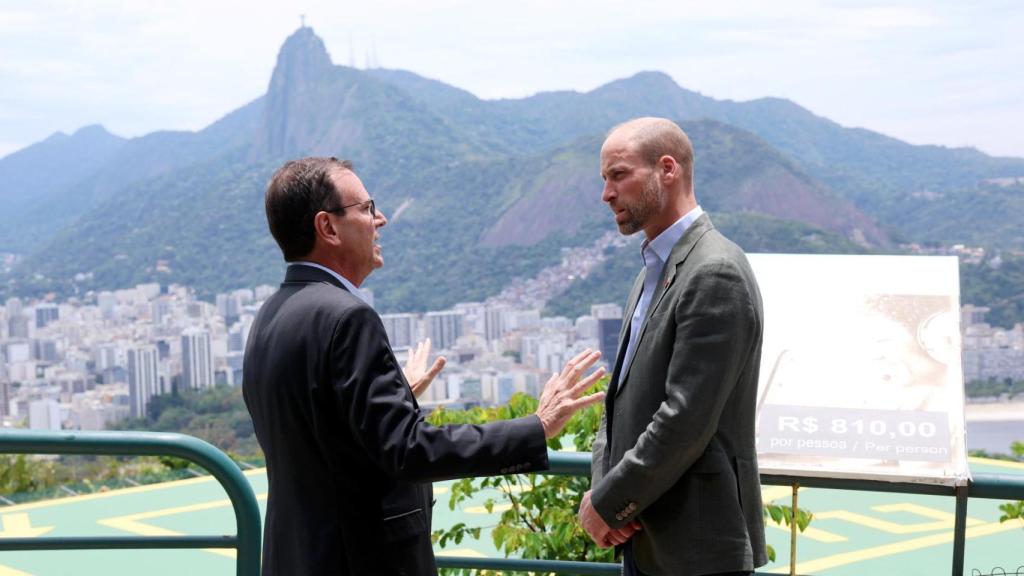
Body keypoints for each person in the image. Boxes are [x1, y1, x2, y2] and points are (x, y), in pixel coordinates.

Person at [243, 157, 606, 576]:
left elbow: (319, 429)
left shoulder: (270, 317)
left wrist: (399, 397)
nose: (379, 219)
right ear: (327, 227)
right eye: (365, 208)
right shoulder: (347, 318)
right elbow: (409, 450)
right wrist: (536, 426)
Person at [577, 118, 767, 576]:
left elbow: (686, 418)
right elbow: (619, 399)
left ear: (667, 169)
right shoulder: (650, 271)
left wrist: (608, 503)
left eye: (618, 175)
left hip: (697, 547)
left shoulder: (714, 271)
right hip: (646, 536)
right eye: (604, 179)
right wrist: (609, 500)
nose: (607, 194)